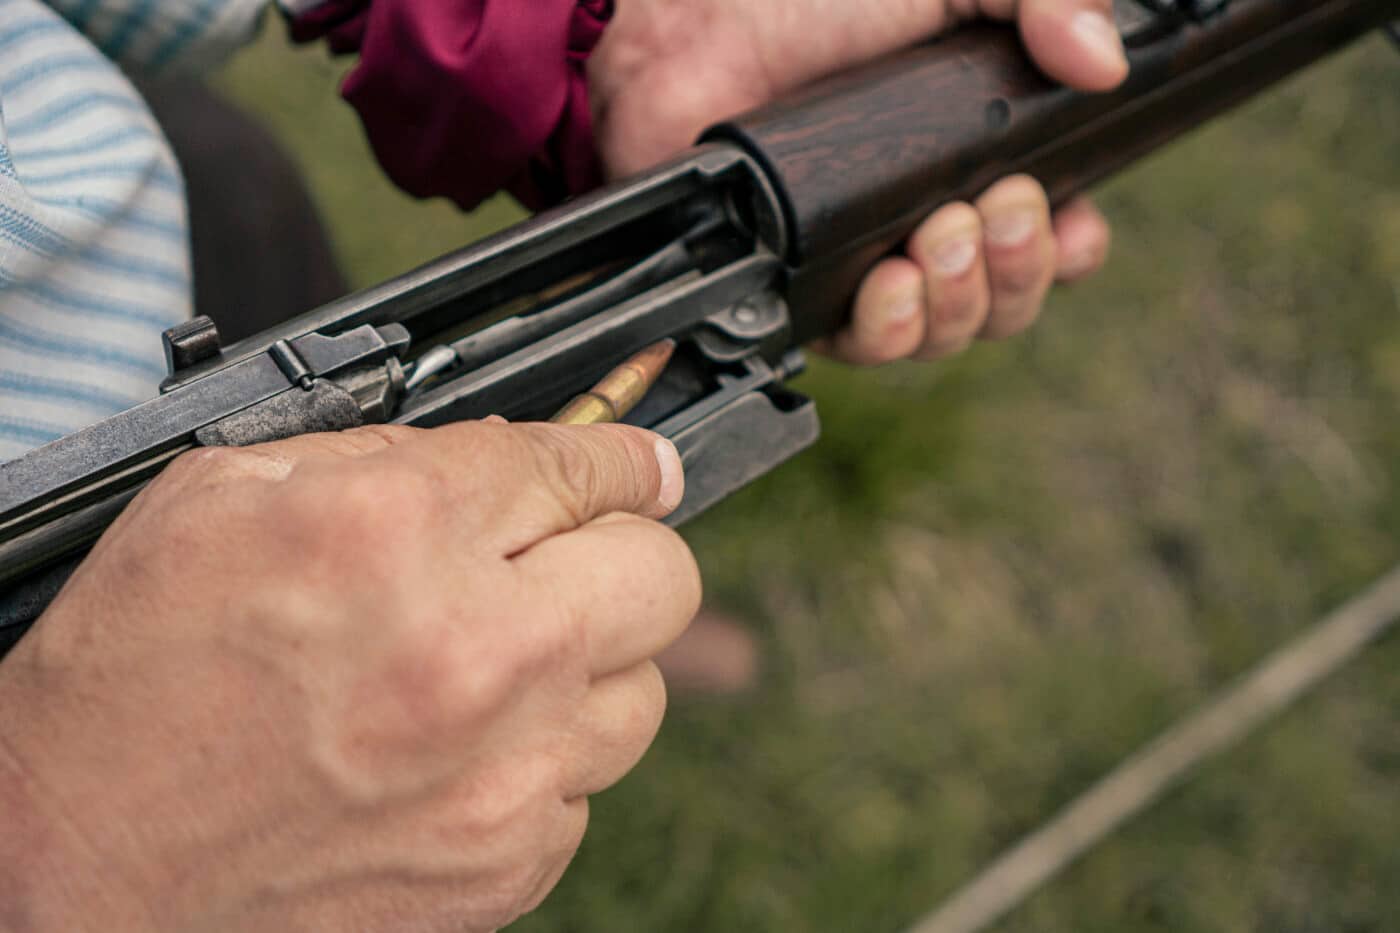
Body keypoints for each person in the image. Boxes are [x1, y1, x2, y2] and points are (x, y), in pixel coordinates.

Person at [0, 0, 1125, 928]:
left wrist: (592, 40)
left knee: (247, 207)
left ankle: (508, 626)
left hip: (132, 214)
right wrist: (78, 849)